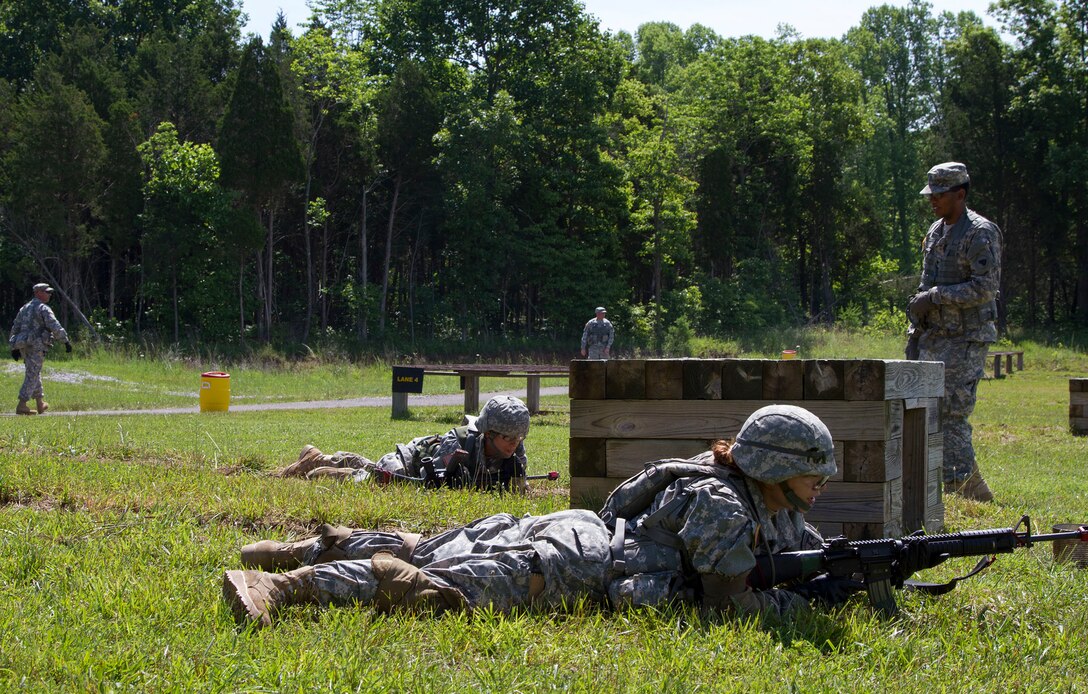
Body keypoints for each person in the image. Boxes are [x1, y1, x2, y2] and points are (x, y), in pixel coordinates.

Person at [222, 404, 863, 628]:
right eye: (814, 469)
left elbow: (806, 553)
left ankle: (301, 550)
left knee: (435, 544)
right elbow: (733, 606)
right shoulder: (725, 504)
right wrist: (811, 606)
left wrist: (859, 576)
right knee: (435, 585)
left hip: (574, 532)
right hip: (570, 565)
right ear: (774, 466)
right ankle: (280, 586)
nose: (823, 481)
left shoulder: (757, 496)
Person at [905, 162, 1001, 503]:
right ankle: (946, 481)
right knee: (925, 409)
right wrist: (916, 328)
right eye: (931, 194)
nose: (933, 201)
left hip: (965, 338)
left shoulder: (979, 232)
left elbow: (985, 288)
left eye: (940, 195)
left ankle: (966, 488)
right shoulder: (935, 232)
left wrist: (936, 297)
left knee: (952, 412)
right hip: (933, 336)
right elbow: (925, 282)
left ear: (960, 194)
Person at [276, 395, 532, 494]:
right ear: (488, 433)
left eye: (518, 438)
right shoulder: (460, 441)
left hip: (414, 468)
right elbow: (425, 478)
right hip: (408, 462)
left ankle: (317, 456)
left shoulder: (515, 452)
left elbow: (520, 487)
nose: (513, 444)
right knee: (384, 477)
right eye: (507, 438)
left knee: (372, 467)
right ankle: (321, 465)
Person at [8, 283, 71, 415]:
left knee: (34, 371)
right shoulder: (43, 308)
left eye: (49, 292)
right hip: (37, 346)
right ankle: (22, 404)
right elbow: (54, 325)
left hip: (23, 345)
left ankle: (40, 403)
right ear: (38, 293)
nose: (49, 294)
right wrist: (65, 341)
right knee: (32, 374)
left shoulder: (24, 308)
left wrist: (13, 346)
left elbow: (15, 327)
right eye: (46, 292)